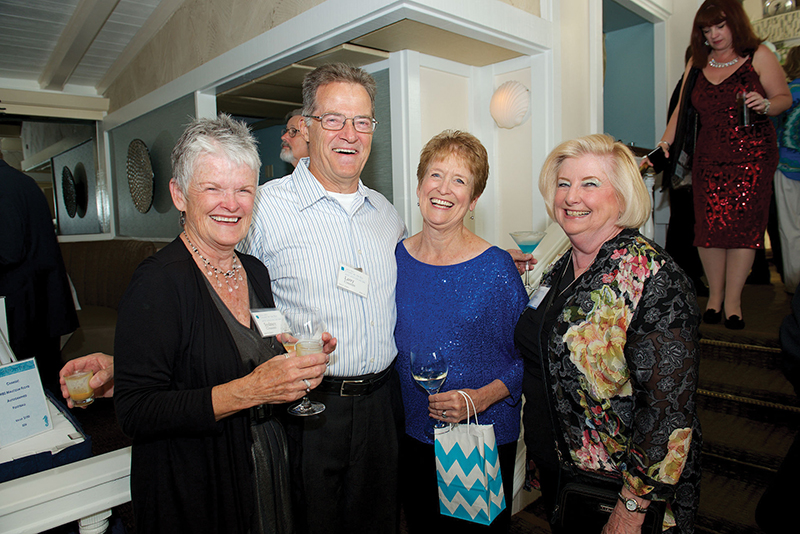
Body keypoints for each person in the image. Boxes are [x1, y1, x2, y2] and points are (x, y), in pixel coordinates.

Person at [113, 115, 329, 534]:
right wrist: (248, 391)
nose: (231, 204)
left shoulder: (255, 270)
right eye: (212, 188)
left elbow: (243, 350)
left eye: (243, 190)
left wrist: (293, 360)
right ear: (179, 195)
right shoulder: (159, 280)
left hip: (265, 467)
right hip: (198, 484)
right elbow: (135, 410)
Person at [239, 63, 406, 534]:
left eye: (362, 121)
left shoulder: (387, 215)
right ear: (308, 127)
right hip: (308, 409)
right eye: (334, 119)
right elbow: (226, 290)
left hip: (381, 404)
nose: (349, 133)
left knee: (380, 522)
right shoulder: (266, 207)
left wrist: (486, 260)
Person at [515, 134, 702, 534]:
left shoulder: (655, 279)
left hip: (619, 490)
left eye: (590, 184)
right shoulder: (561, 263)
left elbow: (669, 413)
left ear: (623, 195)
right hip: (563, 471)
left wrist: (631, 509)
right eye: (563, 184)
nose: (571, 196)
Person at [395, 130, 528, 533]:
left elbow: (530, 361)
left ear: (473, 201)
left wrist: (479, 399)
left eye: (460, 181)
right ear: (419, 186)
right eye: (436, 175)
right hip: (412, 432)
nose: (444, 189)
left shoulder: (495, 269)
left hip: (476, 439)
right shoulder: (395, 257)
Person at [654, 0, 791, 330]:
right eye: (706, 29)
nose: (713, 34)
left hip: (753, 158)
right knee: (709, 231)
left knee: (743, 231)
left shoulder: (758, 55)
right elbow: (679, 113)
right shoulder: (697, 64)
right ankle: (714, 297)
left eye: (720, 26)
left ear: (735, 24)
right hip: (709, 157)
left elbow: (784, 98)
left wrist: (767, 104)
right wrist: (663, 146)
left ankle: (733, 303)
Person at [0, 150, 78, 390]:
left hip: (22, 309)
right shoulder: (20, 181)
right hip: (38, 303)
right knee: (45, 379)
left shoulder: (4, 186)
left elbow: (9, 251)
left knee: (29, 388)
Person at [774, 46, 800, 294]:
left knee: (791, 229)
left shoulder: (786, 95)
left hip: (786, 167)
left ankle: (794, 285)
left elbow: (772, 132)